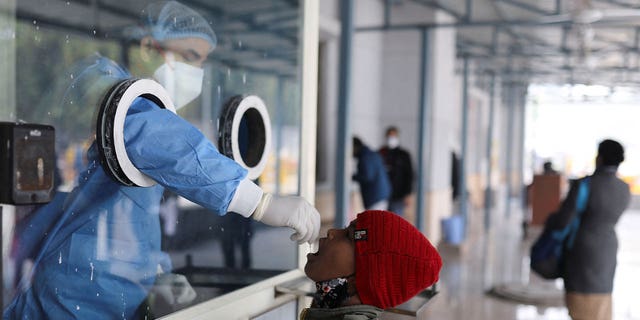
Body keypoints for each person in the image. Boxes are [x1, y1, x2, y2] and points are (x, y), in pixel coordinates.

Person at [4, 2, 320, 319]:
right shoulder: (103, 81)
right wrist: (259, 202)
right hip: (66, 296)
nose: (196, 72)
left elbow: (133, 217)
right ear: (147, 46)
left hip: (107, 296)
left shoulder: (150, 121)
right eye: (190, 57)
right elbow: (149, 134)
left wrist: (157, 271)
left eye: (202, 63)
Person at [301, 210, 442, 319]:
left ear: (356, 282)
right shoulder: (324, 308)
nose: (332, 232)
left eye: (348, 236)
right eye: (345, 229)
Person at [546, 139, 630, 320]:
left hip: (581, 249)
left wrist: (551, 222)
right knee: (600, 304)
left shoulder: (585, 184)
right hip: (608, 250)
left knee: (580, 306)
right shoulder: (624, 189)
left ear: (599, 158)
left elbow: (564, 220)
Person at [378, 126, 414, 216]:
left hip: (398, 195)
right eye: (389, 136)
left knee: (396, 220)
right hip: (382, 195)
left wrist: (408, 194)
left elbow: (409, 175)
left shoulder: (404, 155)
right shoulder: (381, 153)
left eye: (394, 136)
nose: (391, 139)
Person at [352, 137, 391, 211]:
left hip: (375, 196)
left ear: (355, 146)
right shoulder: (371, 154)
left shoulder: (365, 157)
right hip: (380, 195)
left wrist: (352, 177)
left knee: (373, 221)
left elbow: (368, 176)